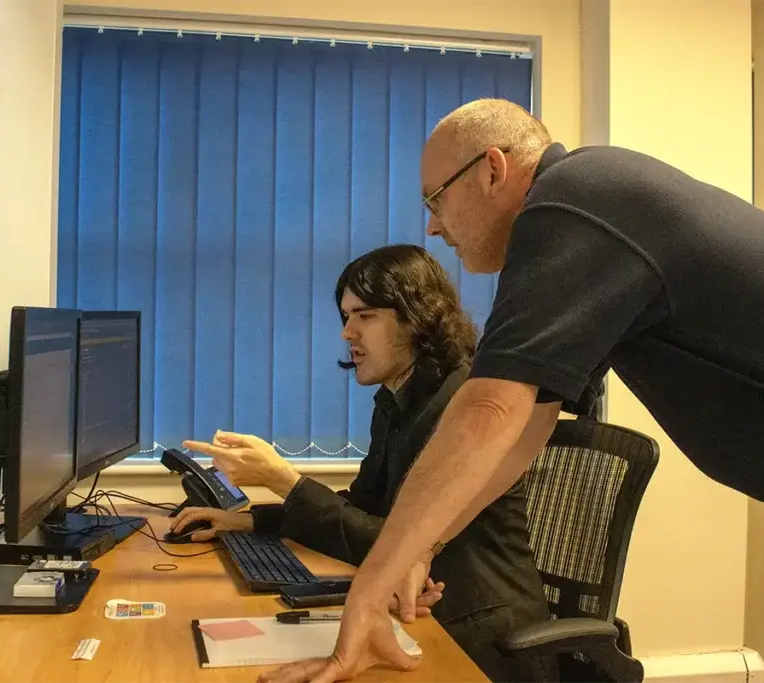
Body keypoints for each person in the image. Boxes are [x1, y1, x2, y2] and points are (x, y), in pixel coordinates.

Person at [259, 98, 764, 683]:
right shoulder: (586, 217)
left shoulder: (572, 203)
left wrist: (370, 590)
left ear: (492, 169)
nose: (433, 227)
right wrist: (419, 549)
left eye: (436, 201)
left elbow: (490, 406)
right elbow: (530, 421)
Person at [174, 244, 551, 683]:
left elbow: (393, 543)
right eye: (346, 316)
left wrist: (282, 480)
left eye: (365, 315)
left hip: (484, 634)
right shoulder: (396, 401)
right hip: (427, 614)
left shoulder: (458, 407)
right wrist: (250, 522)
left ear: (416, 316)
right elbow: (366, 512)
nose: (347, 332)